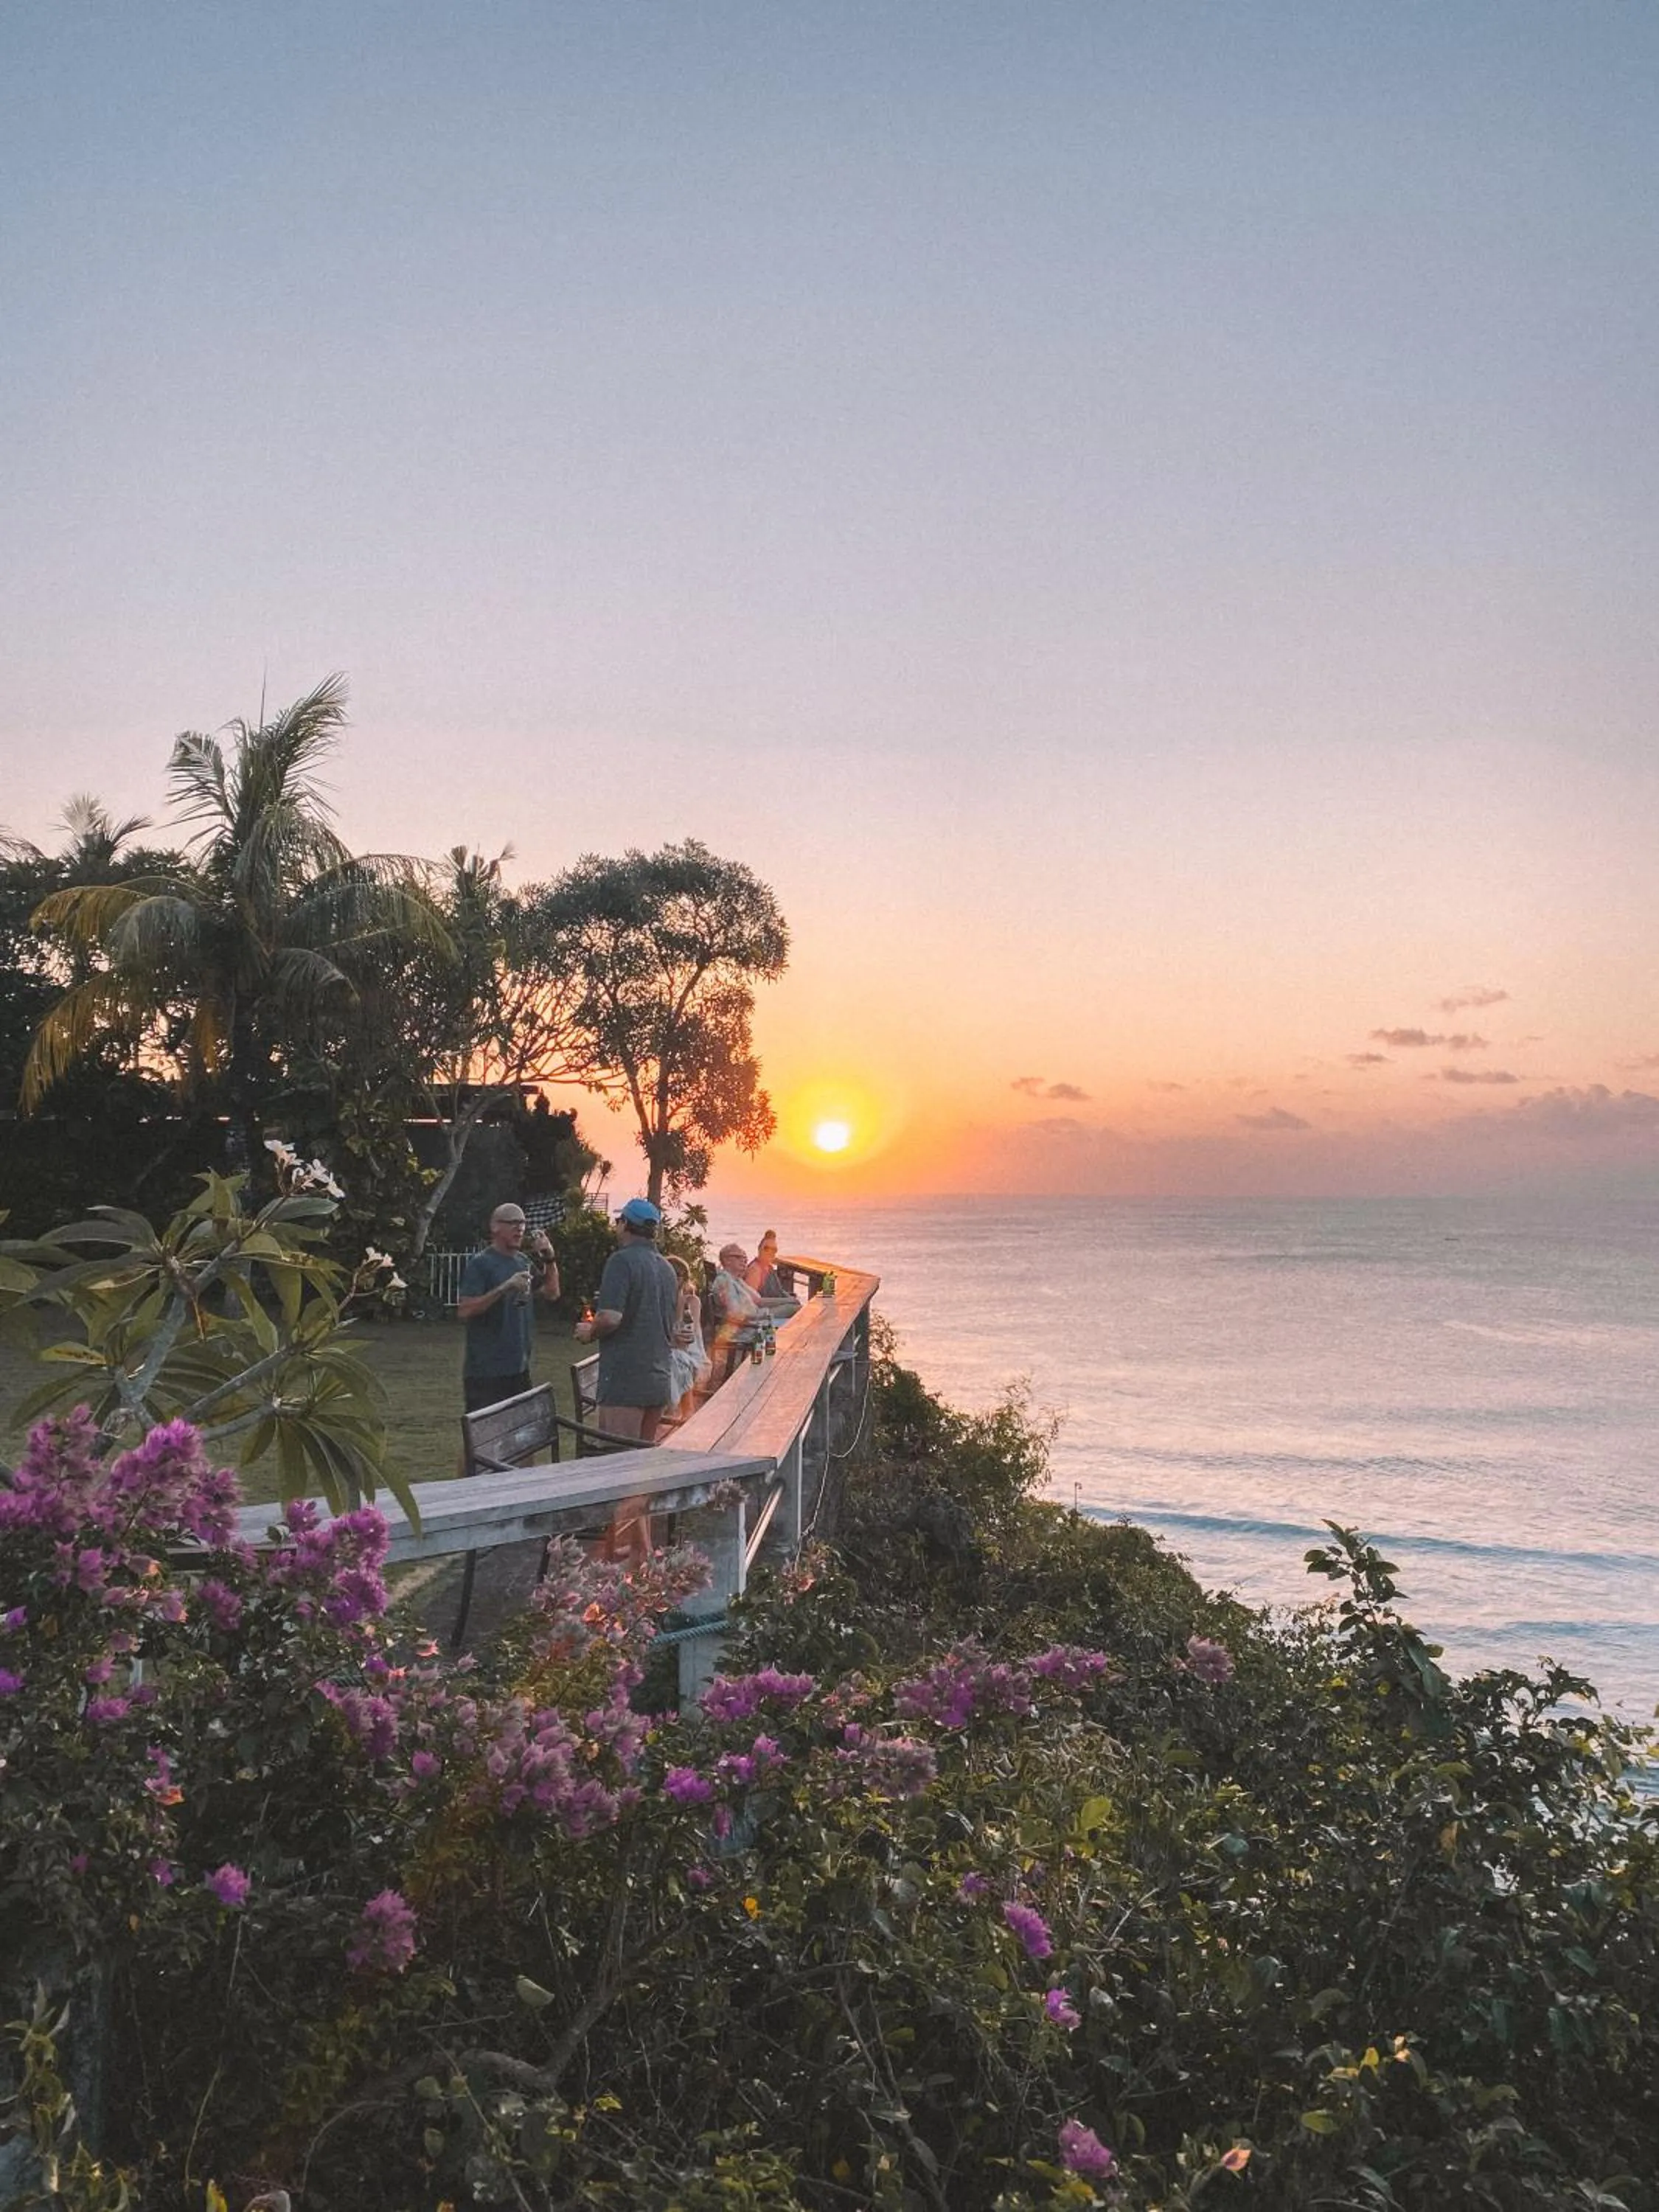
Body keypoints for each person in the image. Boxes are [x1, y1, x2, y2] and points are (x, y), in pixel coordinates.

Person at [574, 1197, 681, 1444]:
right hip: (659, 1382)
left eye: (618, 1221)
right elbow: (671, 1324)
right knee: (641, 1466)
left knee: (619, 1462)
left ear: (624, 1224)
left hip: (626, 1383)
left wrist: (590, 1332)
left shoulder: (620, 1261)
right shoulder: (667, 1268)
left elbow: (611, 1318)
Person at [456, 1202, 561, 1414]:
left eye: (522, 1223)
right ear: (495, 1227)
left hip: (519, 1369)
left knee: (520, 1440)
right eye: (513, 1223)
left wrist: (549, 1259)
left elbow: (552, 1293)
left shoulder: (523, 1261)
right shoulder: (481, 1264)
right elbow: (465, 1310)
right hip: (486, 1373)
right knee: (486, 1443)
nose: (520, 1228)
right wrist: (505, 1287)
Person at [707, 1242, 764, 1383]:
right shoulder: (724, 1281)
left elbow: (757, 1298)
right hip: (744, 1330)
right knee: (792, 1319)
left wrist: (741, 1281)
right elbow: (734, 1313)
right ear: (727, 1260)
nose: (744, 1261)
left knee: (792, 1307)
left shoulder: (734, 1279)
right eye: (739, 1257)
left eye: (745, 1258)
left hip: (751, 1324)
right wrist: (760, 1318)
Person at [664, 1252, 712, 1419]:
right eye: (671, 1275)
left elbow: (685, 1337)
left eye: (679, 1276)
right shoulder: (659, 1301)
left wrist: (677, 1298)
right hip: (675, 1351)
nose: (675, 1280)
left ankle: (677, 1413)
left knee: (679, 1360)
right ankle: (679, 1414)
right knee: (675, 1360)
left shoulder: (691, 1301)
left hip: (694, 1354)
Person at [743, 1228, 801, 1322]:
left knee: (798, 1306)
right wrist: (788, 1301)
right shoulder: (755, 1270)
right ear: (759, 1249)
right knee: (797, 1309)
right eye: (766, 1248)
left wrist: (790, 1298)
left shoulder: (769, 1268)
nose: (770, 1252)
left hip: (770, 1308)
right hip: (758, 1313)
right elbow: (753, 1301)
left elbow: (780, 1291)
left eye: (774, 1250)